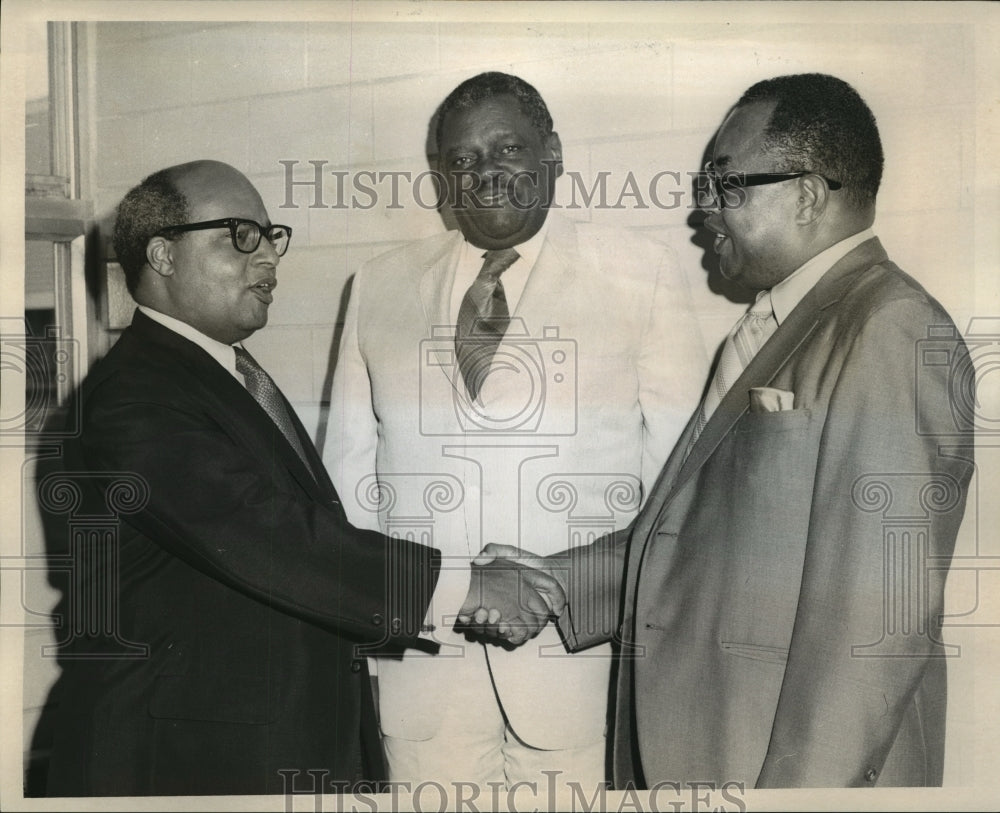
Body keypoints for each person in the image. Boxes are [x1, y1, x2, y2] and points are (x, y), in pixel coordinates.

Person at [475, 73, 976, 788]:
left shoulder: (889, 328)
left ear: (806, 195)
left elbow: (873, 635)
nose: (702, 210)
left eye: (725, 184)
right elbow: (705, 534)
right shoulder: (777, 327)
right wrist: (558, 580)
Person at [42, 159, 561, 796]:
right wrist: (463, 585)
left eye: (270, 236)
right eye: (239, 236)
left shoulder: (218, 374)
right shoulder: (134, 396)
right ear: (162, 254)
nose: (269, 260)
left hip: (261, 743)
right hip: (185, 758)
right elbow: (265, 533)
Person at [325, 72, 707, 790]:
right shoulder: (376, 283)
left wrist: (576, 597)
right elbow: (351, 482)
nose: (485, 173)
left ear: (552, 152)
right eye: (462, 160)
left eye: (507, 148)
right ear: (443, 176)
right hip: (424, 667)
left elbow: (679, 489)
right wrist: (390, 628)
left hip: (581, 663)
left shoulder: (641, 273)